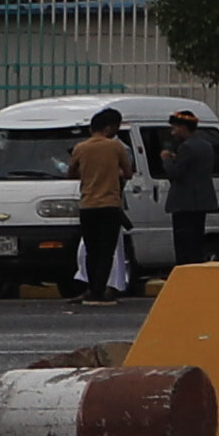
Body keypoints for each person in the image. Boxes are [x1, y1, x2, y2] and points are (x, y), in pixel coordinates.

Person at [67, 107, 134, 302]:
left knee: (91, 250)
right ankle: (100, 290)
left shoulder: (80, 148)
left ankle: (91, 289)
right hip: (110, 205)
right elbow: (128, 172)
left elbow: (71, 172)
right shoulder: (115, 147)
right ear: (108, 128)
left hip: (88, 205)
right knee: (106, 251)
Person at [159, 115, 219, 278]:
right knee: (196, 242)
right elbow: (194, 168)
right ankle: (195, 274)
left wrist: (166, 160)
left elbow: (176, 173)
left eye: (175, 128)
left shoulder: (186, 147)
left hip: (184, 203)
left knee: (184, 244)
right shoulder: (206, 145)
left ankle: (183, 276)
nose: (173, 133)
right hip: (201, 202)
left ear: (184, 127)